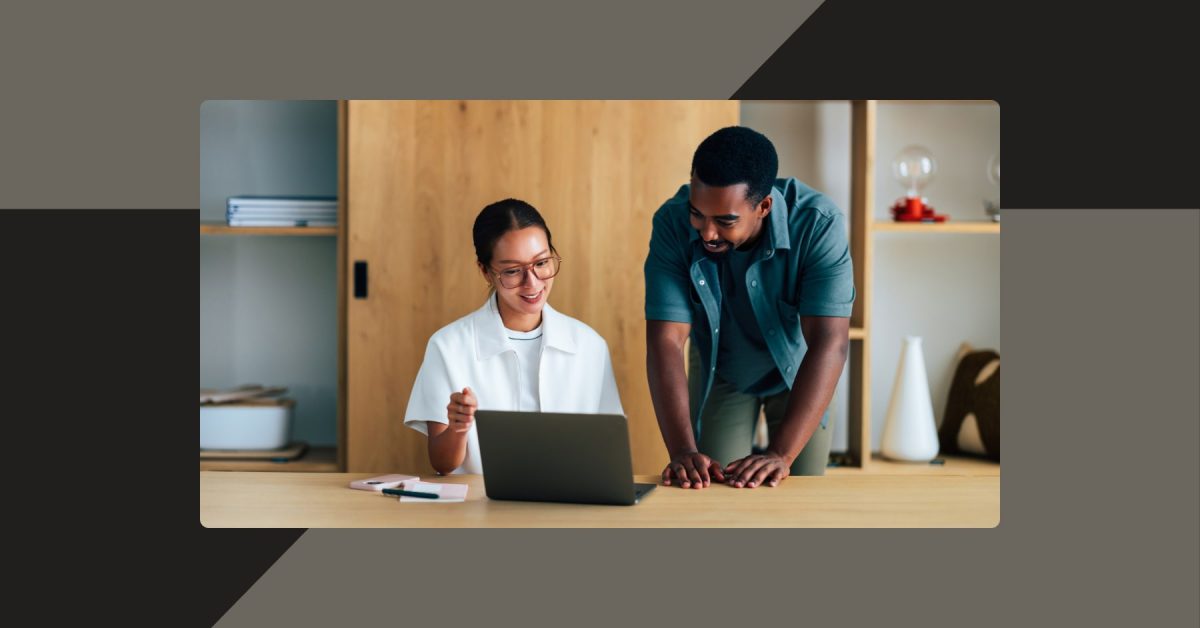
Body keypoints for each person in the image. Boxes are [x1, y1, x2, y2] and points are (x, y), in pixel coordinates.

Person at [644, 126, 855, 489]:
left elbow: (830, 343)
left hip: (801, 370)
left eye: (725, 221)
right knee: (712, 491)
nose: (707, 233)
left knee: (798, 494)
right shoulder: (671, 222)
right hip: (723, 369)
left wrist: (781, 454)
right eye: (698, 214)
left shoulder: (819, 223)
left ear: (763, 206)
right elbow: (666, 340)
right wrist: (681, 450)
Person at [404, 198, 623, 475]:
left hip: (570, 507)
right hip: (481, 510)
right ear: (485, 271)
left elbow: (608, 449)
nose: (532, 283)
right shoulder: (447, 346)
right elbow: (442, 463)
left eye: (541, 263)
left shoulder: (590, 346)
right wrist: (459, 429)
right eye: (512, 271)